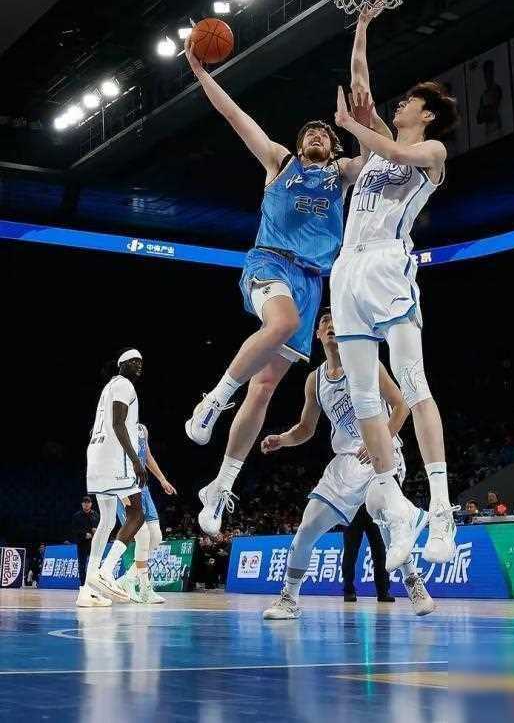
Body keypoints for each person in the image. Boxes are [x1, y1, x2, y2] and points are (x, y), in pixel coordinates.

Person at [182, 38, 373, 536]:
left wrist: (357, 118)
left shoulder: (343, 175)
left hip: (310, 281)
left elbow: (377, 152)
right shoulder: (278, 162)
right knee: (281, 322)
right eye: (310, 132)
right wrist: (200, 72)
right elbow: (234, 115)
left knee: (265, 388)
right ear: (299, 142)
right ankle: (213, 399)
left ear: (333, 146)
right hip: (270, 262)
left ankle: (220, 487)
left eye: (324, 133)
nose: (317, 136)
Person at [328, 6, 460, 572]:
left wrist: (352, 125)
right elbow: (361, 89)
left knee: (412, 381)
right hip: (346, 270)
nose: (398, 104)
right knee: (364, 398)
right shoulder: (375, 144)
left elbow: (396, 151)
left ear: (426, 114)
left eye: (409, 101)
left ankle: (442, 507)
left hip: (388, 265)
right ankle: (398, 506)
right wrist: (361, 29)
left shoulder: (431, 153)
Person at [261, 311, 434, 619]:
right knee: (307, 528)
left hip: (381, 453)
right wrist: (283, 439)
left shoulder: (367, 361)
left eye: (335, 320)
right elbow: (305, 429)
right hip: (345, 463)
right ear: (317, 334)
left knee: (382, 511)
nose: (330, 325)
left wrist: (380, 439)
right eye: (324, 322)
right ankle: (289, 598)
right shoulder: (314, 381)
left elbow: (401, 405)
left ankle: (413, 582)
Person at [83, 350, 148, 606]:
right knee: (137, 514)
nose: (139, 365)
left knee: (107, 520)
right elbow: (118, 423)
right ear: (121, 365)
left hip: (96, 458)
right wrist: (135, 460)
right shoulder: (124, 385)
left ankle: (88, 588)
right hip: (115, 460)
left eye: (141, 362)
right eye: (133, 362)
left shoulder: (108, 388)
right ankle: (106, 571)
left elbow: (98, 426)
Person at [115, 424, 177, 604]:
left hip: (143, 489)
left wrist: (162, 479)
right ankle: (144, 588)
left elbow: (147, 456)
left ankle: (128, 579)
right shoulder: (116, 427)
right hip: (125, 487)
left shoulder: (142, 429)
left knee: (156, 537)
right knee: (142, 537)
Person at [342, 505, 394, 604]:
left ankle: (383, 591)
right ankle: (348, 590)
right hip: (353, 508)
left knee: (380, 552)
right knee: (350, 552)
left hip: (374, 509)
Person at [71, 496, 98, 590]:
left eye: (88, 502)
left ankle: (94, 584)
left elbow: (100, 527)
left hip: (94, 544)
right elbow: (73, 530)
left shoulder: (95, 515)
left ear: (91, 504)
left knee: (94, 564)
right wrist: (84, 535)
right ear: (82, 504)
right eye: (85, 502)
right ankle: (83, 584)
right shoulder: (77, 516)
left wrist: (96, 531)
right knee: (82, 565)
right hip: (82, 543)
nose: (86, 504)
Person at [475, 59, 503, 137]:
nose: (489, 75)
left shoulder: (497, 89)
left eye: (491, 72)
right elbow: (478, 119)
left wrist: (485, 112)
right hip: (488, 132)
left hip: (497, 130)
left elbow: (493, 113)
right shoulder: (483, 95)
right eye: (487, 72)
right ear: (484, 75)